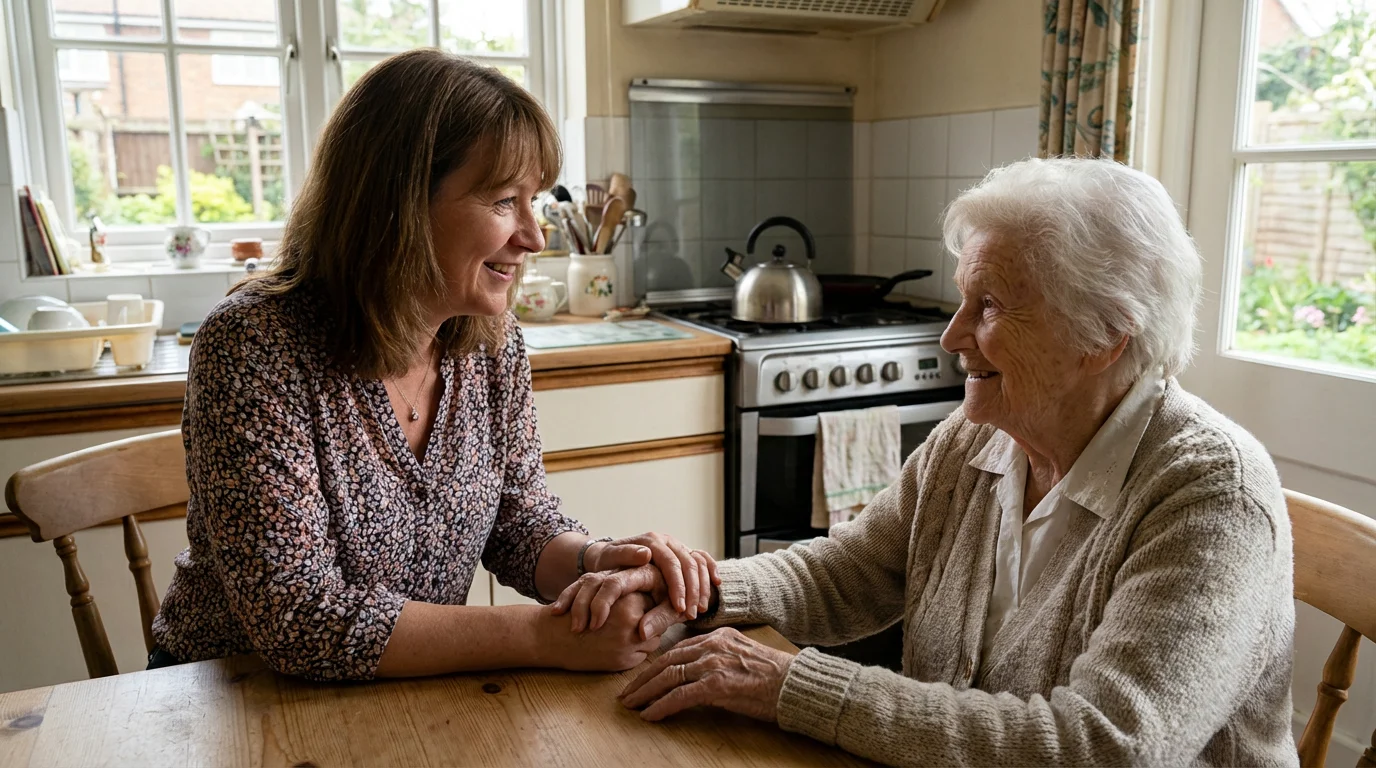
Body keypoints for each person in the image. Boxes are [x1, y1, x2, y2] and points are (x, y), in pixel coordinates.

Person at [600, 158, 1298, 766]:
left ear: (1107, 333)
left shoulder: (1211, 495)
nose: (952, 335)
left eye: (988, 304)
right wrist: (705, 590)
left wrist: (791, 687)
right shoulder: (977, 439)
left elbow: (1106, 746)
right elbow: (856, 568)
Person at [150, 49, 716, 681]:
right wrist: (547, 635)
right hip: (230, 701)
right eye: (505, 201)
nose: (534, 235)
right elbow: (298, 618)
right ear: (397, 205)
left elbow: (516, 520)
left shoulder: (490, 338)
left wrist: (600, 563)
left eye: (534, 201)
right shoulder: (256, 343)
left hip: (407, 694)